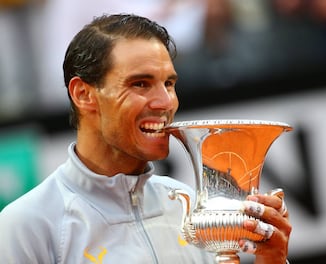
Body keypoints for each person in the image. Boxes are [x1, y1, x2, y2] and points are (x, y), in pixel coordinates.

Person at [0, 14, 291, 263]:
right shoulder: (27, 225)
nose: (165, 102)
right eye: (140, 84)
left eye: (169, 83)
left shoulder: (188, 206)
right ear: (83, 94)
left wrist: (272, 260)